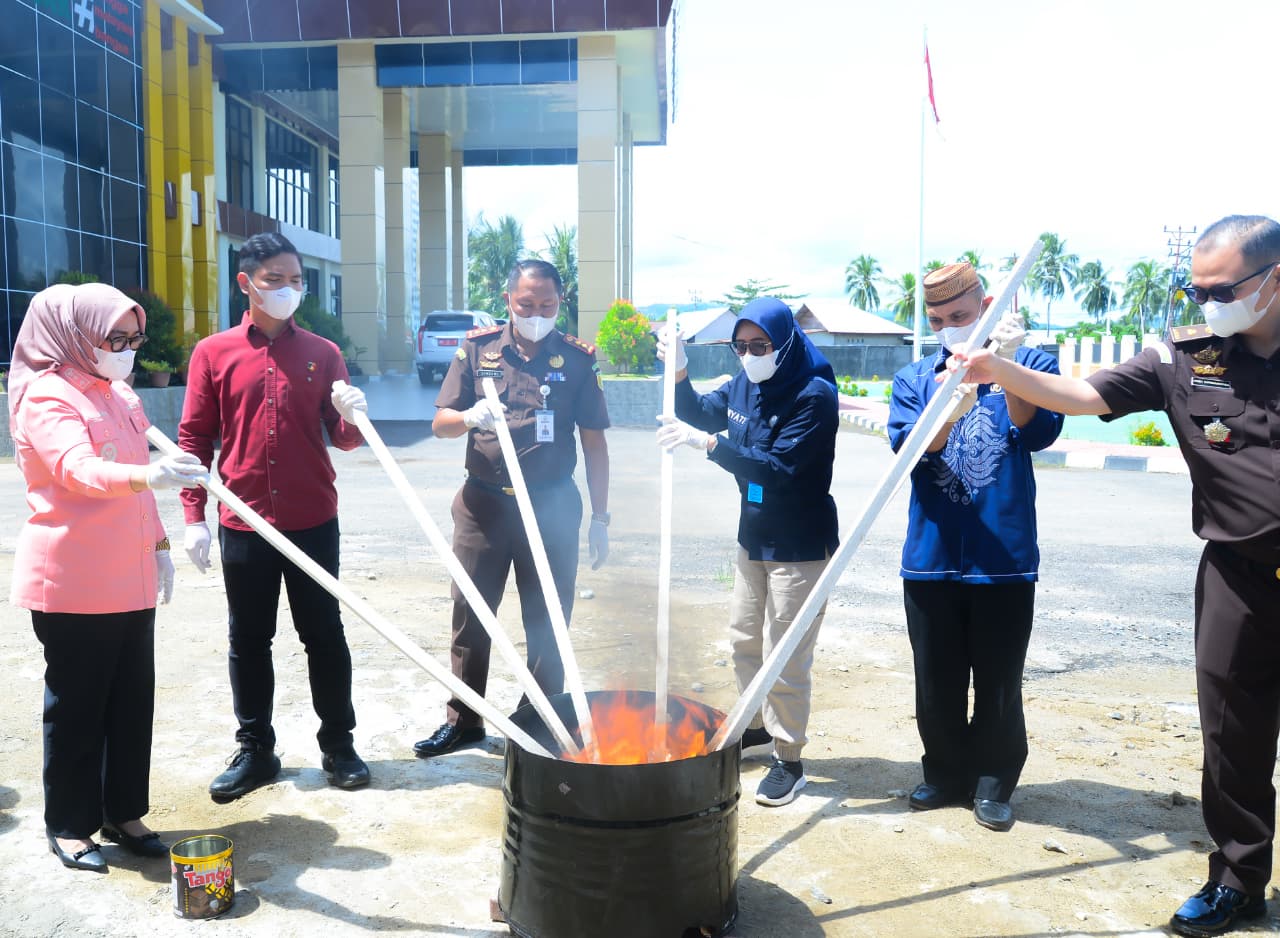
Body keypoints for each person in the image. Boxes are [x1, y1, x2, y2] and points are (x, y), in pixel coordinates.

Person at [952, 215, 1280, 934]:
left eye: (1221, 289)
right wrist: (997, 369)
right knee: (1234, 737)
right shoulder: (1183, 358)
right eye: (1196, 289)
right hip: (1239, 576)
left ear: (1274, 278)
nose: (1206, 303)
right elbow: (1084, 395)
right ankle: (1237, 881)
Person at [9, 284, 206, 872]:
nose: (127, 350)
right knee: (78, 708)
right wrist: (151, 474)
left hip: (130, 575)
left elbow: (145, 494)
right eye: (114, 338)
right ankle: (69, 825)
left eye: (133, 338)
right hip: (74, 579)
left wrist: (162, 545)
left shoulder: (119, 394)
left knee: (129, 702)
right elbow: (78, 471)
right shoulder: (47, 397)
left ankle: (124, 812)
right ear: (72, 334)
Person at [178, 231, 372, 801]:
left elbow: (344, 439)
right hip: (243, 520)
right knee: (249, 639)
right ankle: (256, 749)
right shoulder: (213, 353)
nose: (288, 289)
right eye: (275, 280)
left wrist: (352, 416)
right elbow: (194, 439)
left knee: (324, 633)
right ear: (246, 283)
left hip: (312, 518)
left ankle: (338, 744)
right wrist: (194, 517)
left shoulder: (322, 353)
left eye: (296, 280)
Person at [888, 261, 1064, 833]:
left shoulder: (1030, 362)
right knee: (934, 678)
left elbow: (1037, 431)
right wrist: (953, 402)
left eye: (961, 316)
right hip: (931, 554)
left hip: (1003, 559)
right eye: (937, 319)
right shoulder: (916, 378)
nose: (949, 327)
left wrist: (1004, 368)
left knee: (997, 677)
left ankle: (993, 782)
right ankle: (943, 773)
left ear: (988, 305)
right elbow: (914, 451)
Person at [413, 258, 611, 758]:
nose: (537, 313)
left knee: (548, 618)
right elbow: (440, 423)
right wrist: (468, 416)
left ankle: (535, 719)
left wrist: (601, 519)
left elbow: (594, 445)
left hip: (552, 508)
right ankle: (464, 720)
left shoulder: (578, 359)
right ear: (508, 301)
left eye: (547, 305)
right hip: (484, 506)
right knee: (471, 614)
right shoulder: (477, 350)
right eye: (526, 304)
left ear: (560, 302)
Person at [655, 297, 838, 807]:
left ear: (785, 342)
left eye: (760, 346)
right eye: (740, 347)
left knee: (786, 654)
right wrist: (680, 371)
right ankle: (756, 726)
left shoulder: (814, 395)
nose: (749, 355)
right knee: (743, 640)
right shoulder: (744, 384)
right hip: (752, 536)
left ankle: (789, 757)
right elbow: (697, 411)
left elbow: (776, 469)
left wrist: (710, 447)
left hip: (799, 545)